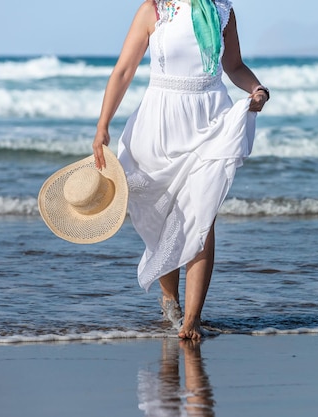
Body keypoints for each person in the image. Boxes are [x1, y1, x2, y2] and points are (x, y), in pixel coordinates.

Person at [92, 0, 268, 340]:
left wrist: (258, 90)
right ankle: (170, 301)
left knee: (202, 215)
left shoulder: (221, 10)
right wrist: (103, 125)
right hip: (159, 125)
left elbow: (234, 65)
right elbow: (124, 71)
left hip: (209, 120)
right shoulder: (153, 10)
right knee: (162, 219)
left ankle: (192, 320)